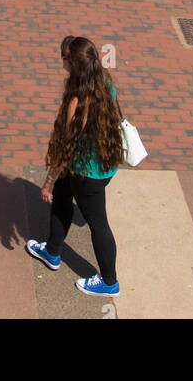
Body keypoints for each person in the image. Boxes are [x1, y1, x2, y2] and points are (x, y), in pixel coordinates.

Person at [26, 36, 122, 298]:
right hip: (103, 163)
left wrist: (49, 180)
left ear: (71, 63)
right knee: (62, 199)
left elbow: (66, 146)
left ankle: (109, 282)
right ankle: (52, 252)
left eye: (63, 56)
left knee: (98, 224)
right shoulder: (103, 80)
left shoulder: (77, 100)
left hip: (86, 171)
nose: (61, 59)